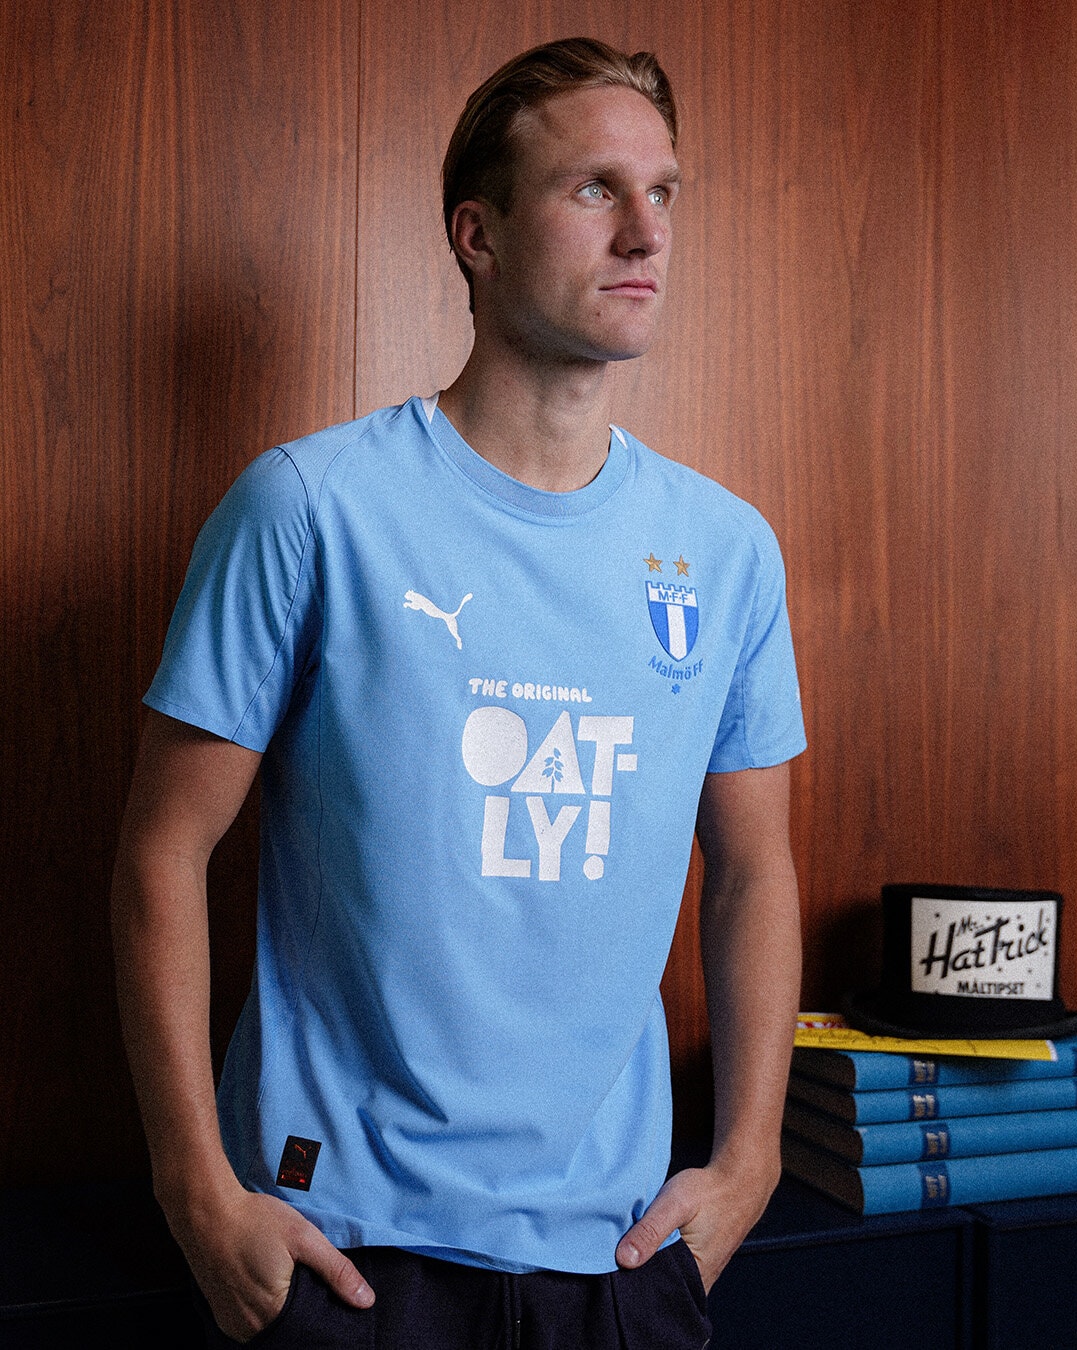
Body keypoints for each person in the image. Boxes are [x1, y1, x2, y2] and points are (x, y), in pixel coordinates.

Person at [111, 36, 806, 1349]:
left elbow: (754, 871)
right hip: (349, 1254)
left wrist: (752, 1156)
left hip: (620, 1254)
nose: (645, 229)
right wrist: (195, 1189)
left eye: (663, 191)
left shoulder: (725, 551)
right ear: (477, 236)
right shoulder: (311, 507)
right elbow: (163, 848)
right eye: (593, 189)